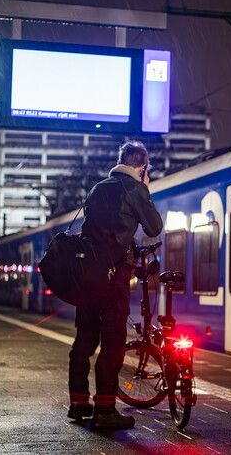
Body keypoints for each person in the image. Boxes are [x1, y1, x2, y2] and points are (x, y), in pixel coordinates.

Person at [68, 141, 163, 430]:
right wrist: (144, 188)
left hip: (87, 277)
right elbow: (154, 227)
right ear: (141, 166)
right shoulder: (134, 188)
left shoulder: (99, 188)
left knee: (85, 339)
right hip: (113, 278)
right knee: (112, 343)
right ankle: (106, 410)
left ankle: (79, 402)